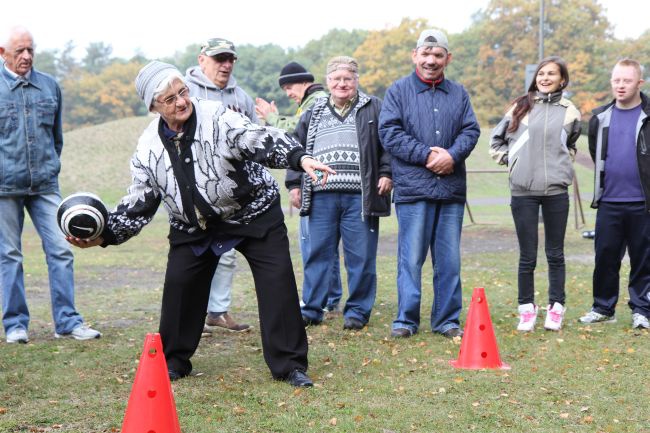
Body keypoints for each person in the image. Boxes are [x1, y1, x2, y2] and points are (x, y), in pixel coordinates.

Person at [69, 61, 334, 386]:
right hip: (193, 226)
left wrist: (298, 157)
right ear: (154, 107)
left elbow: (261, 138)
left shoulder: (219, 118)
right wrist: (105, 234)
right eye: (170, 99)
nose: (181, 102)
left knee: (277, 283)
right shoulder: (146, 149)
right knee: (180, 289)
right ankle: (174, 362)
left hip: (253, 213)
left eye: (183, 92)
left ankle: (290, 365)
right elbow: (138, 204)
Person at [0, 25, 101, 344]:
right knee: (10, 255)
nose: (27, 56)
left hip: (45, 185)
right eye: (19, 51)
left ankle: (67, 322)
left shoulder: (50, 87)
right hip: (4, 187)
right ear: (3, 53)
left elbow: (56, 139)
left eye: (31, 50)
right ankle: (16, 324)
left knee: (61, 250)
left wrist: (48, 166)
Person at [378, 29, 480, 339]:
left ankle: (446, 320)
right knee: (410, 258)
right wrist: (427, 156)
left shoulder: (459, 94)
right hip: (413, 190)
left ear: (447, 58)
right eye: (425, 54)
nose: (431, 60)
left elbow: (471, 131)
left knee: (448, 260)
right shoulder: (397, 92)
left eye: (437, 55)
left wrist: (451, 155)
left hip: (450, 190)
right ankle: (406, 320)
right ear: (415, 56)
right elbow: (390, 133)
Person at [290, 56, 392, 330]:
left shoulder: (373, 108)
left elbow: (387, 145)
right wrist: (295, 184)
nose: (342, 83)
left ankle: (357, 312)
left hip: (361, 196)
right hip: (321, 195)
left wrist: (386, 173)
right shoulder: (315, 111)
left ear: (356, 80)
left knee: (360, 256)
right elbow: (296, 149)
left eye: (348, 78)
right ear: (328, 82)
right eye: (336, 79)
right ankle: (312, 309)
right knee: (317, 254)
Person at [490, 56, 582, 332]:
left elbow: (573, 144)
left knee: (555, 253)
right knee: (527, 255)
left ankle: (556, 308)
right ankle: (526, 309)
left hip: (556, 191)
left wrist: (564, 164)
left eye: (551, 74)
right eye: (541, 73)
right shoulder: (521, 107)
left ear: (561, 80)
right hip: (523, 192)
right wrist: (513, 163)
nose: (544, 78)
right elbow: (496, 141)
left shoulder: (570, 111)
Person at [256, 61, 343, 312]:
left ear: (305, 82)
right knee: (320, 244)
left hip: (320, 184)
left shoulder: (317, 100)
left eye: (290, 87)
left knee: (316, 244)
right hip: (313, 180)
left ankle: (325, 298)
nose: (288, 93)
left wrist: (272, 118)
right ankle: (329, 297)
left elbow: (295, 133)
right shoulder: (306, 103)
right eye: (284, 90)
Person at [185, 37, 257, 333]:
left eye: (230, 59)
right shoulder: (184, 91)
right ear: (202, 59)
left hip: (230, 191)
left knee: (226, 254)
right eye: (219, 59)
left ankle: (217, 311)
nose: (226, 64)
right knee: (193, 254)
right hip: (193, 188)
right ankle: (191, 315)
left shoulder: (240, 98)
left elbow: (254, 138)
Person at [579, 58, 650, 330]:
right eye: (616, 80)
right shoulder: (600, 117)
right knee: (605, 257)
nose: (621, 86)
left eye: (627, 81)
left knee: (643, 259)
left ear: (639, 83)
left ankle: (642, 309)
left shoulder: (648, 115)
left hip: (643, 203)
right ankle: (603, 307)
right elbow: (600, 155)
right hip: (610, 200)